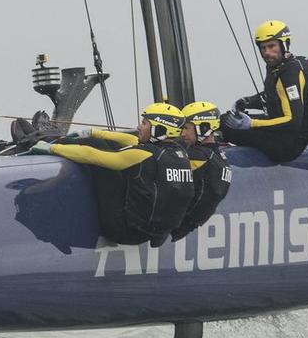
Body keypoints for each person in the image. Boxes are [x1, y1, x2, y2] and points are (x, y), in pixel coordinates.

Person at [30, 102, 194, 246]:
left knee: (102, 161)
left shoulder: (144, 154)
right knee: (100, 142)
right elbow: (131, 141)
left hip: (124, 231)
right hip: (153, 232)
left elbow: (92, 155)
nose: (138, 127)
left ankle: (41, 141)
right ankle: (59, 139)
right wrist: (95, 132)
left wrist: (52, 148)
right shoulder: (179, 153)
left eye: (144, 123)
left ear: (160, 129)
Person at [221, 20, 308, 162]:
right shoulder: (299, 63)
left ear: (284, 44)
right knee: (230, 118)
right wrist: (247, 101)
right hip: (291, 135)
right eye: (263, 48)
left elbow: (292, 121)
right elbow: (278, 95)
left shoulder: (288, 74)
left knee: (224, 123)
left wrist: (252, 123)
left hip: (287, 147)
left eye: (272, 46)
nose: (267, 53)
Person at [171, 101, 231, 241]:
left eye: (187, 128)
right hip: (184, 227)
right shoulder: (217, 155)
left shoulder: (199, 157)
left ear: (204, 128)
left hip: (170, 227)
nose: (183, 133)